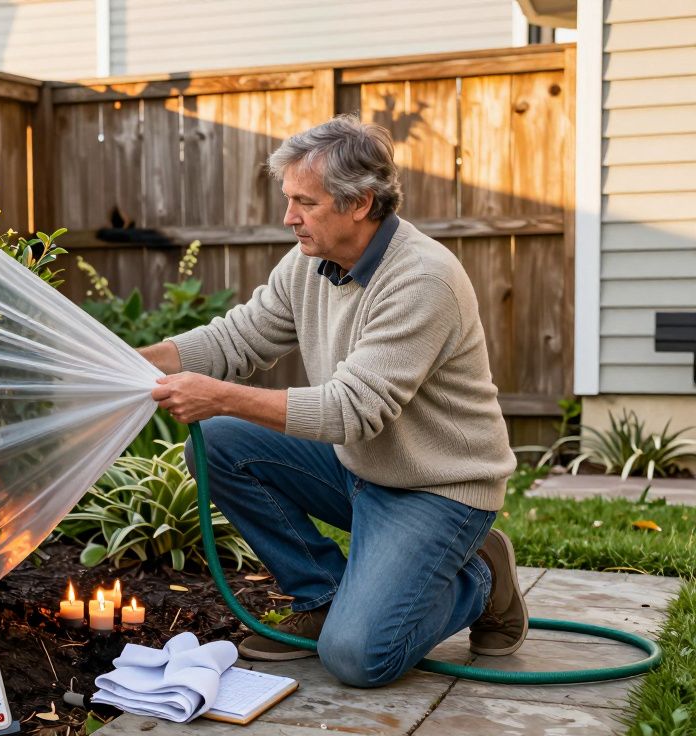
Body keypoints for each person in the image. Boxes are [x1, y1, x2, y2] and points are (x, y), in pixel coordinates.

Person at [137, 115, 523, 688]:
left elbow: (352, 410)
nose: (288, 217)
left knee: (358, 658)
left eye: (305, 202)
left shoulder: (423, 279)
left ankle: (482, 575)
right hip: (359, 467)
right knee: (217, 446)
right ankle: (321, 596)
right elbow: (235, 340)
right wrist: (125, 362)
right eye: (288, 199)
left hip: (436, 488)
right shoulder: (310, 263)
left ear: (360, 202)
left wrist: (219, 397)